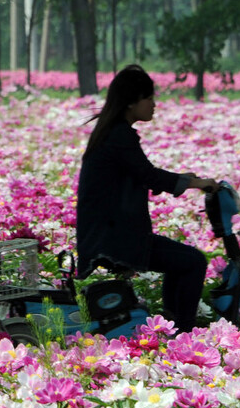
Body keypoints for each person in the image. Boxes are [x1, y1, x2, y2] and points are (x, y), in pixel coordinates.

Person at [76, 65, 219, 333]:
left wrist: (183, 178)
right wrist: (197, 183)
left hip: (108, 233)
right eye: (149, 98)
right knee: (194, 262)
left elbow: (140, 173)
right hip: (114, 239)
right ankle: (181, 332)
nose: (154, 105)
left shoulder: (113, 131)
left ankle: (170, 324)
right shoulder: (119, 135)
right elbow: (149, 176)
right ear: (131, 101)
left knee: (182, 262)